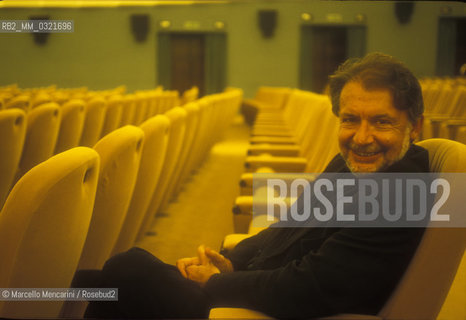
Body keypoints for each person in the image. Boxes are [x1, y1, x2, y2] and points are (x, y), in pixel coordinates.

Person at [82, 52, 428, 319]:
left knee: (123, 271)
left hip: (274, 311)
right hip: (266, 294)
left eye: (382, 122)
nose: (362, 137)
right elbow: (292, 225)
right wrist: (232, 261)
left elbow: (310, 286)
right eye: (350, 120)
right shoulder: (355, 164)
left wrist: (215, 282)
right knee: (104, 281)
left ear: (414, 127)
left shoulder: (401, 192)